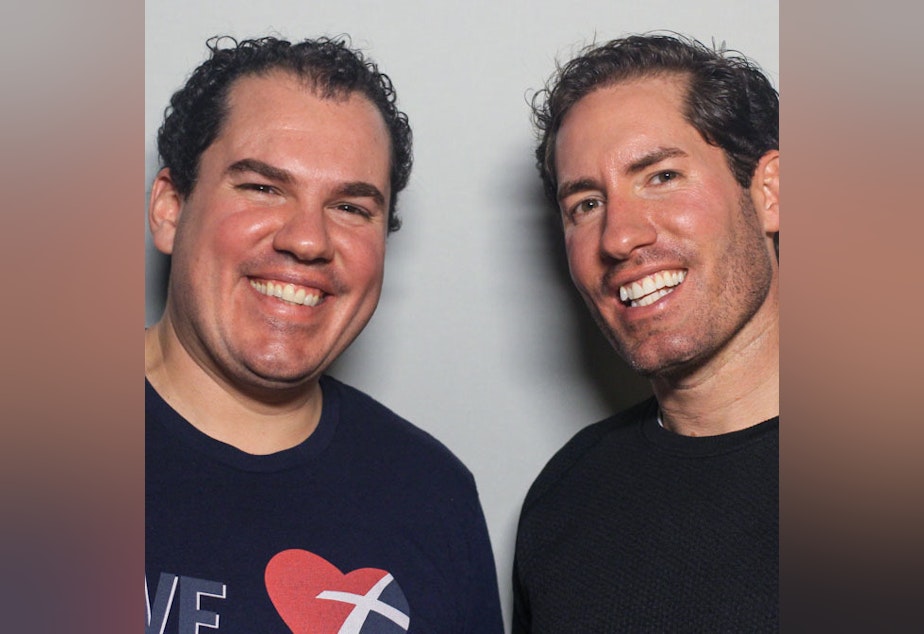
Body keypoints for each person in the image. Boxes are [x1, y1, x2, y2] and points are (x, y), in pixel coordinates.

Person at [144, 35, 503, 633]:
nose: (307, 240)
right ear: (170, 209)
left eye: (351, 208)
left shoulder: (431, 495)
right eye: (262, 187)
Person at [513, 33, 779, 632]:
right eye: (585, 204)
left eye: (660, 176)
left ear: (770, 193)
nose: (618, 237)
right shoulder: (569, 496)